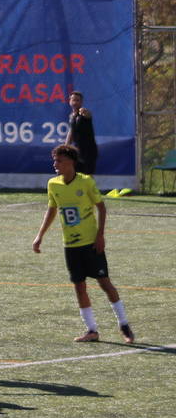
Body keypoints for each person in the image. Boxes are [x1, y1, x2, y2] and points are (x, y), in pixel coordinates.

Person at [31, 144, 133, 343]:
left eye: (59, 160)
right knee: (79, 287)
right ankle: (92, 330)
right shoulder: (53, 184)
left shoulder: (86, 182)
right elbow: (52, 210)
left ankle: (124, 324)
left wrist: (100, 236)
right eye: (54, 160)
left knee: (105, 283)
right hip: (70, 245)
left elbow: (101, 208)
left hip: (90, 243)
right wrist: (40, 235)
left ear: (71, 162)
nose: (55, 164)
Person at [67, 91, 98, 175]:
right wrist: (66, 145)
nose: (75, 102)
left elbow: (88, 115)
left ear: (81, 102)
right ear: (70, 101)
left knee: (88, 176)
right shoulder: (72, 116)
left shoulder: (83, 113)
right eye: (73, 100)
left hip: (89, 150)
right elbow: (71, 132)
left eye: (78, 100)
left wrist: (85, 113)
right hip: (78, 150)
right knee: (77, 174)